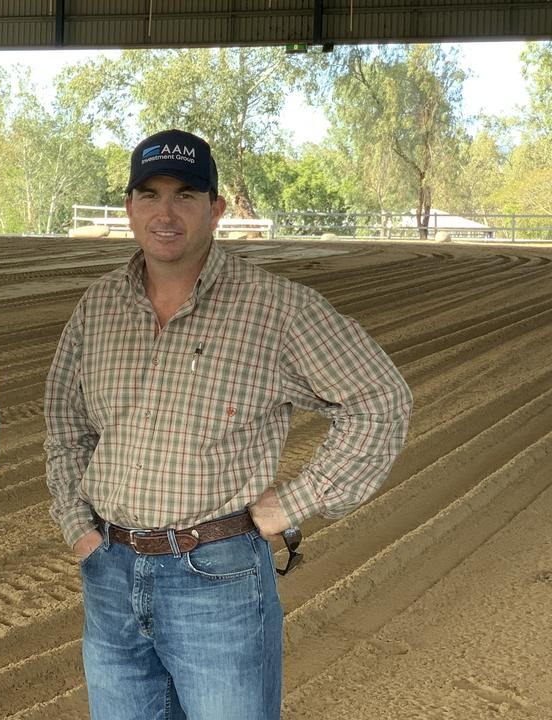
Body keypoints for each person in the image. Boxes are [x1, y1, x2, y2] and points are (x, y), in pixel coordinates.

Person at [44, 129, 412, 720]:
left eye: (186, 195)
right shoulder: (99, 307)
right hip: (110, 573)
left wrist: (293, 504)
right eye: (150, 194)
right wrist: (77, 526)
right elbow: (66, 425)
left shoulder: (277, 308)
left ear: (215, 209)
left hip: (216, 577)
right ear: (129, 208)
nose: (166, 213)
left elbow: (380, 399)